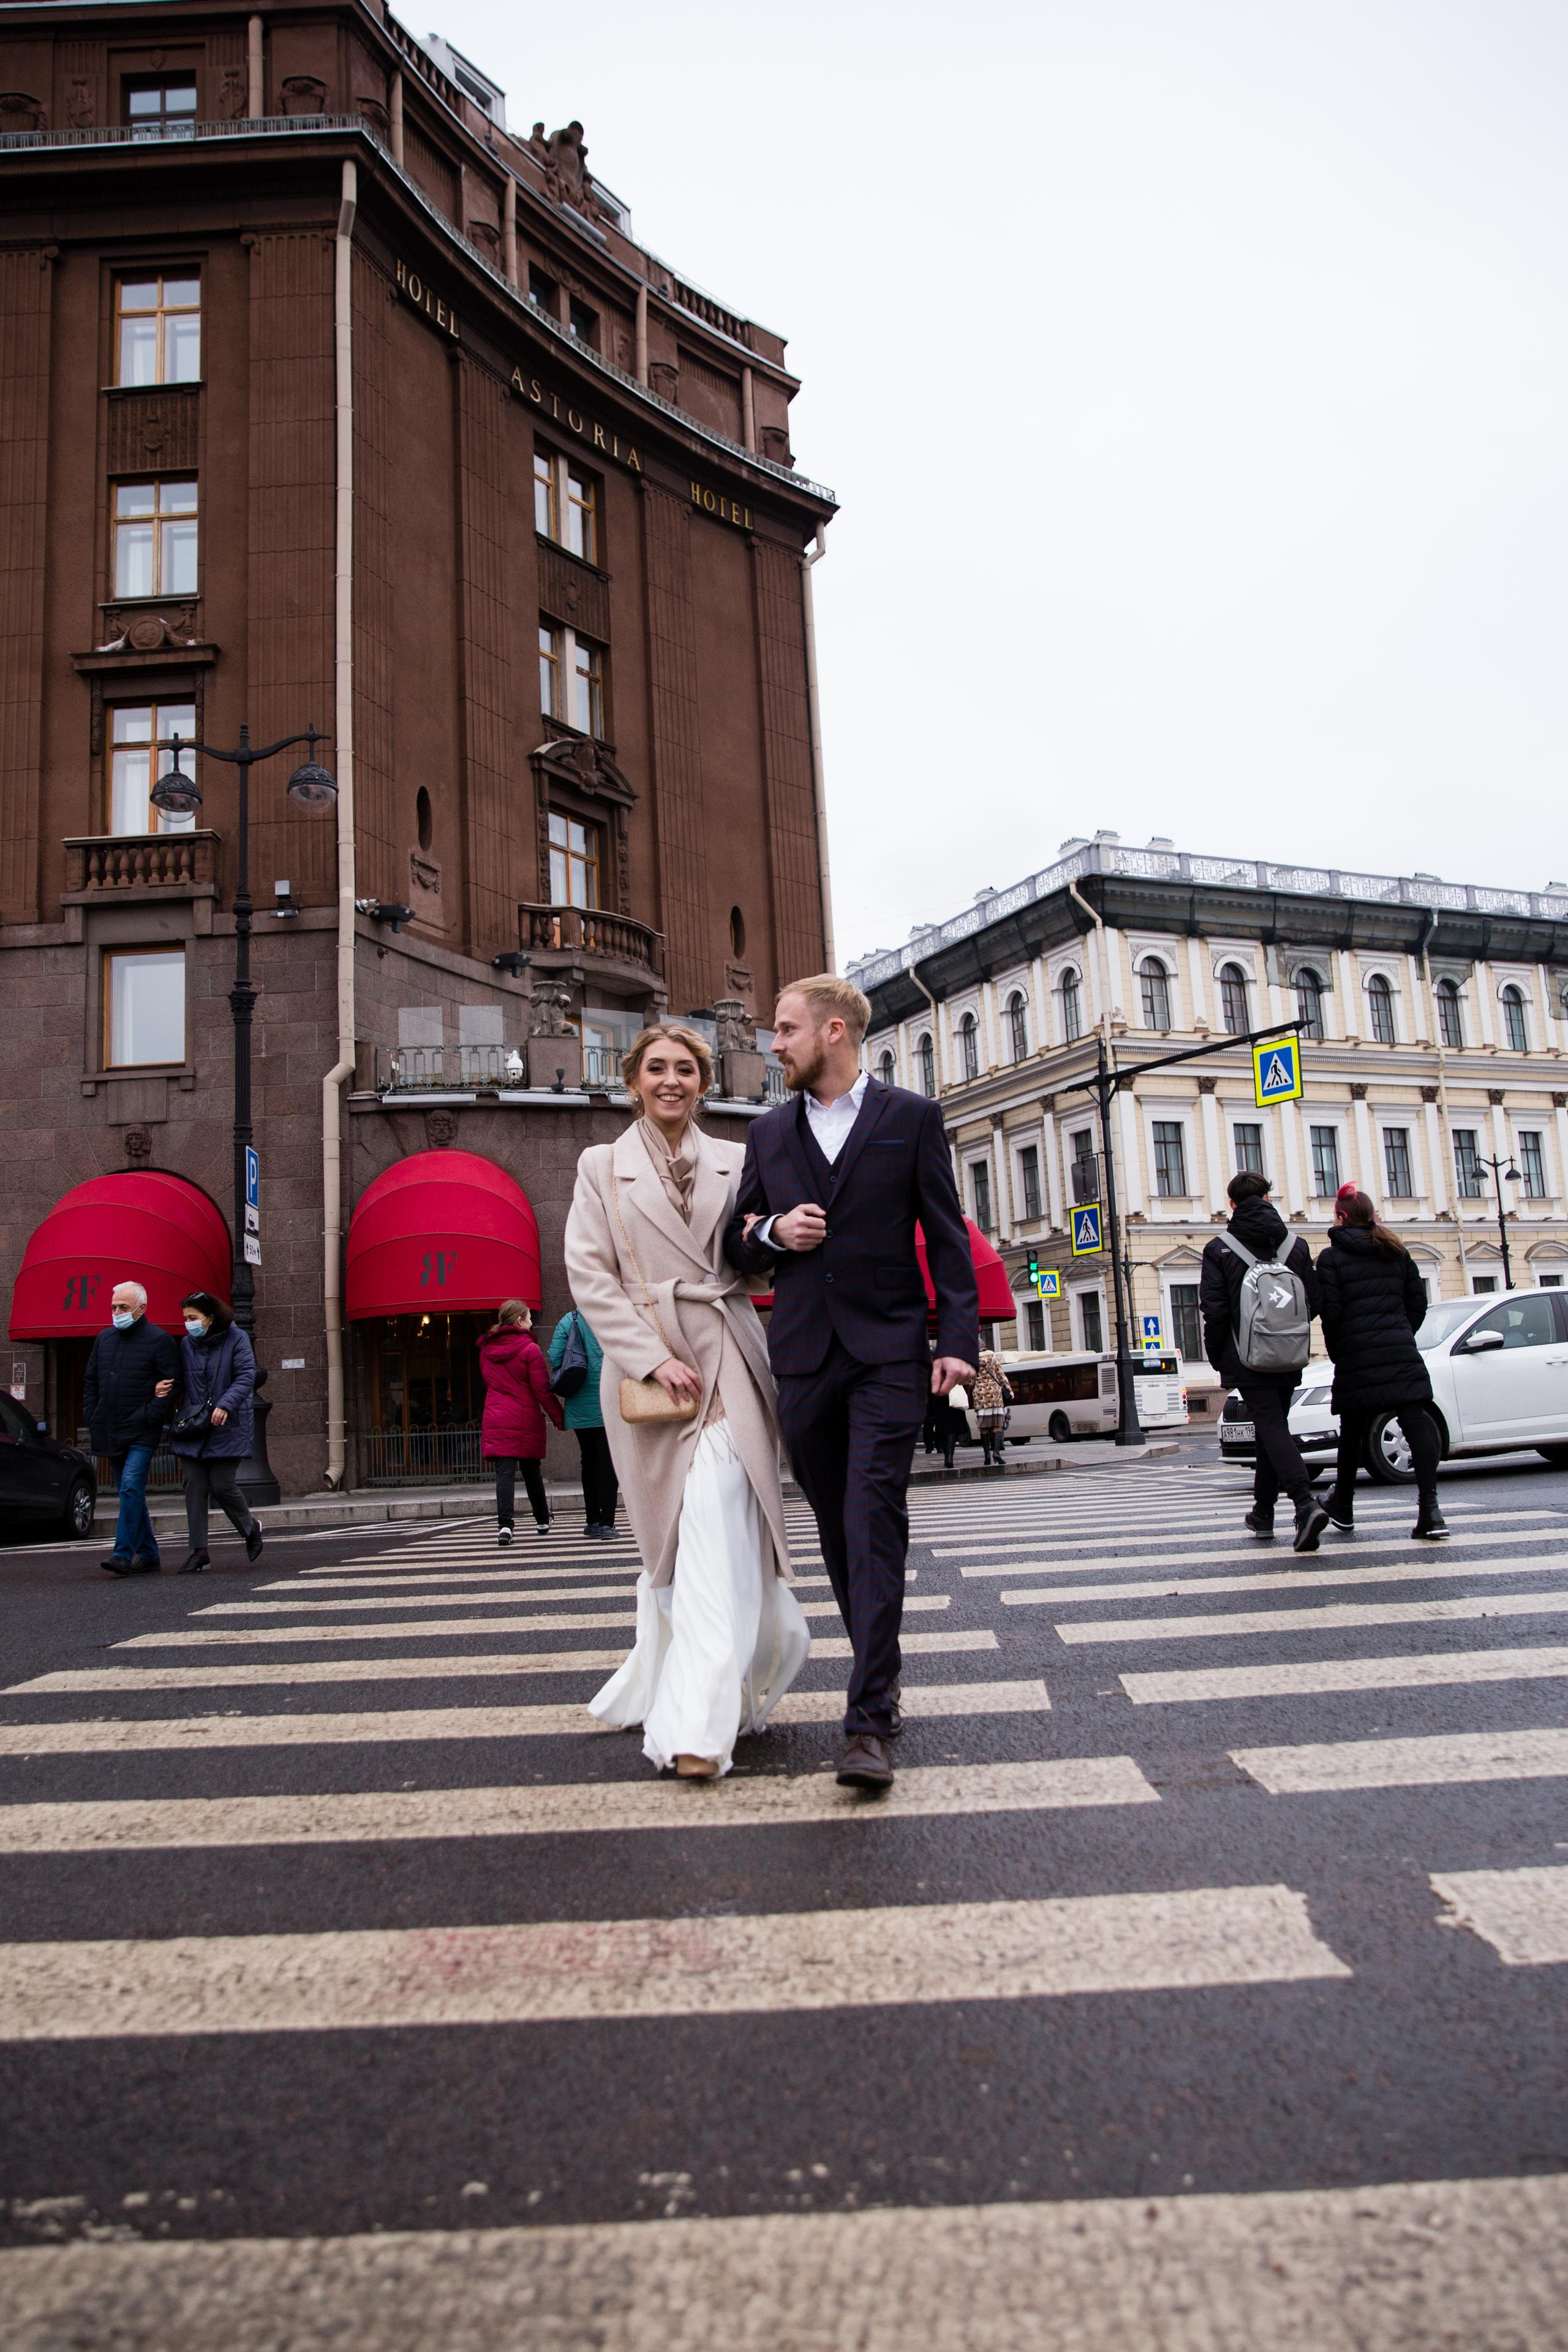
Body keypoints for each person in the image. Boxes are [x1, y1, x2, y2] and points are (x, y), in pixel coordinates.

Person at [725, 974, 979, 1790]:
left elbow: (947, 1237)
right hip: (803, 1358)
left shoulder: (912, 1118)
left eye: (786, 1029)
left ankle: (867, 1720)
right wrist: (775, 1230)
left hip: (887, 1354)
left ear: (834, 1031)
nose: (775, 1044)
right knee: (840, 1532)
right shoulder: (768, 1132)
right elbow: (736, 1244)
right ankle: (884, 1673)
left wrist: (957, 1341)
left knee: (872, 1517)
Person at [565, 1022, 809, 1779]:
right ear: (633, 1080)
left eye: (685, 1069)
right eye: (657, 1069)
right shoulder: (601, 1166)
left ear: (704, 1083)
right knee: (678, 1538)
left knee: (721, 1517)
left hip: (729, 1355)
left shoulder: (738, 1159)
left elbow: (753, 1263)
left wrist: (779, 1235)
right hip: (650, 1372)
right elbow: (589, 1275)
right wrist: (651, 1355)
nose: (671, 1081)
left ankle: (696, 1728)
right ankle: (723, 1672)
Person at [1200, 1169, 1327, 1552]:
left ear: (1232, 1204)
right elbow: (1313, 1301)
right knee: (1274, 1429)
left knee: (1271, 1428)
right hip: (1288, 1354)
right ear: (1268, 1198)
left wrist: (1219, 1356)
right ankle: (1263, 1513)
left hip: (1246, 1356)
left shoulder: (1220, 1248)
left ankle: (1305, 1504)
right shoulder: (1296, 1246)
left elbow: (1215, 1310)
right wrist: (1285, 1332)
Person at [1317, 1184, 1448, 1541]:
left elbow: (1331, 1315)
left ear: (1341, 1217)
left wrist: (1341, 1352)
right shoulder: (1395, 1250)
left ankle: (1344, 1504)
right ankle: (1431, 1511)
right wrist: (1401, 1332)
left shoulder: (1331, 1258)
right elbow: (1417, 1303)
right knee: (1415, 1425)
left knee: (1352, 1432)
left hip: (1357, 1355)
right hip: (1400, 1351)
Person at [84, 1279, 179, 1577]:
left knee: (129, 1487)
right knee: (130, 1494)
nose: (116, 1313)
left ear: (141, 1309)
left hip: (141, 1431)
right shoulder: (104, 1339)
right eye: (114, 1307)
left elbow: (173, 1385)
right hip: (110, 1428)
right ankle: (149, 1554)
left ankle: (122, 1554)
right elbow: (91, 1381)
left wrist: (150, 1415)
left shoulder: (159, 1340)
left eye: (123, 1307)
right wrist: (92, 1414)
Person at [167, 1292, 263, 1575]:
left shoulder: (237, 1338)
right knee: (194, 1487)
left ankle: (250, 1529)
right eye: (185, 1318)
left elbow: (247, 1375)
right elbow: (182, 1379)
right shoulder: (187, 1344)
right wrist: (163, 1388)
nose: (188, 1324)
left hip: (226, 1425)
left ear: (210, 1318)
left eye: (193, 1318)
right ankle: (199, 1552)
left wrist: (225, 1404)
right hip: (194, 1426)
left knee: (222, 1486)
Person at [478, 1302, 564, 1544]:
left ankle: (505, 1527)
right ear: (519, 1321)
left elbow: (488, 1380)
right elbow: (542, 1390)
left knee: (504, 1473)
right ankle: (542, 1519)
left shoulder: (486, 1349)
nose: (532, 1322)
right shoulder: (530, 1349)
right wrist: (559, 1418)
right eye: (529, 1318)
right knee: (531, 1470)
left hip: (496, 1415)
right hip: (525, 1416)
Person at [546, 1306, 620, 1538]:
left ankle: (592, 1521)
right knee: (608, 1461)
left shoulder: (569, 1320)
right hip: (609, 1401)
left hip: (579, 1403)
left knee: (588, 1461)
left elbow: (555, 1355)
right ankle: (607, 1523)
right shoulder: (611, 1317)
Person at [972, 1348, 1014, 1469]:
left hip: (981, 1397)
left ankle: (987, 1456)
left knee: (984, 1428)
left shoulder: (972, 1360)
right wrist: (1009, 1390)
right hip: (995, 1395)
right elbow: (1001, 1376)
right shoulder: (994, 1357)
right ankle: (996, 1453)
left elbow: (970, 1381)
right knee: (997, 1425)